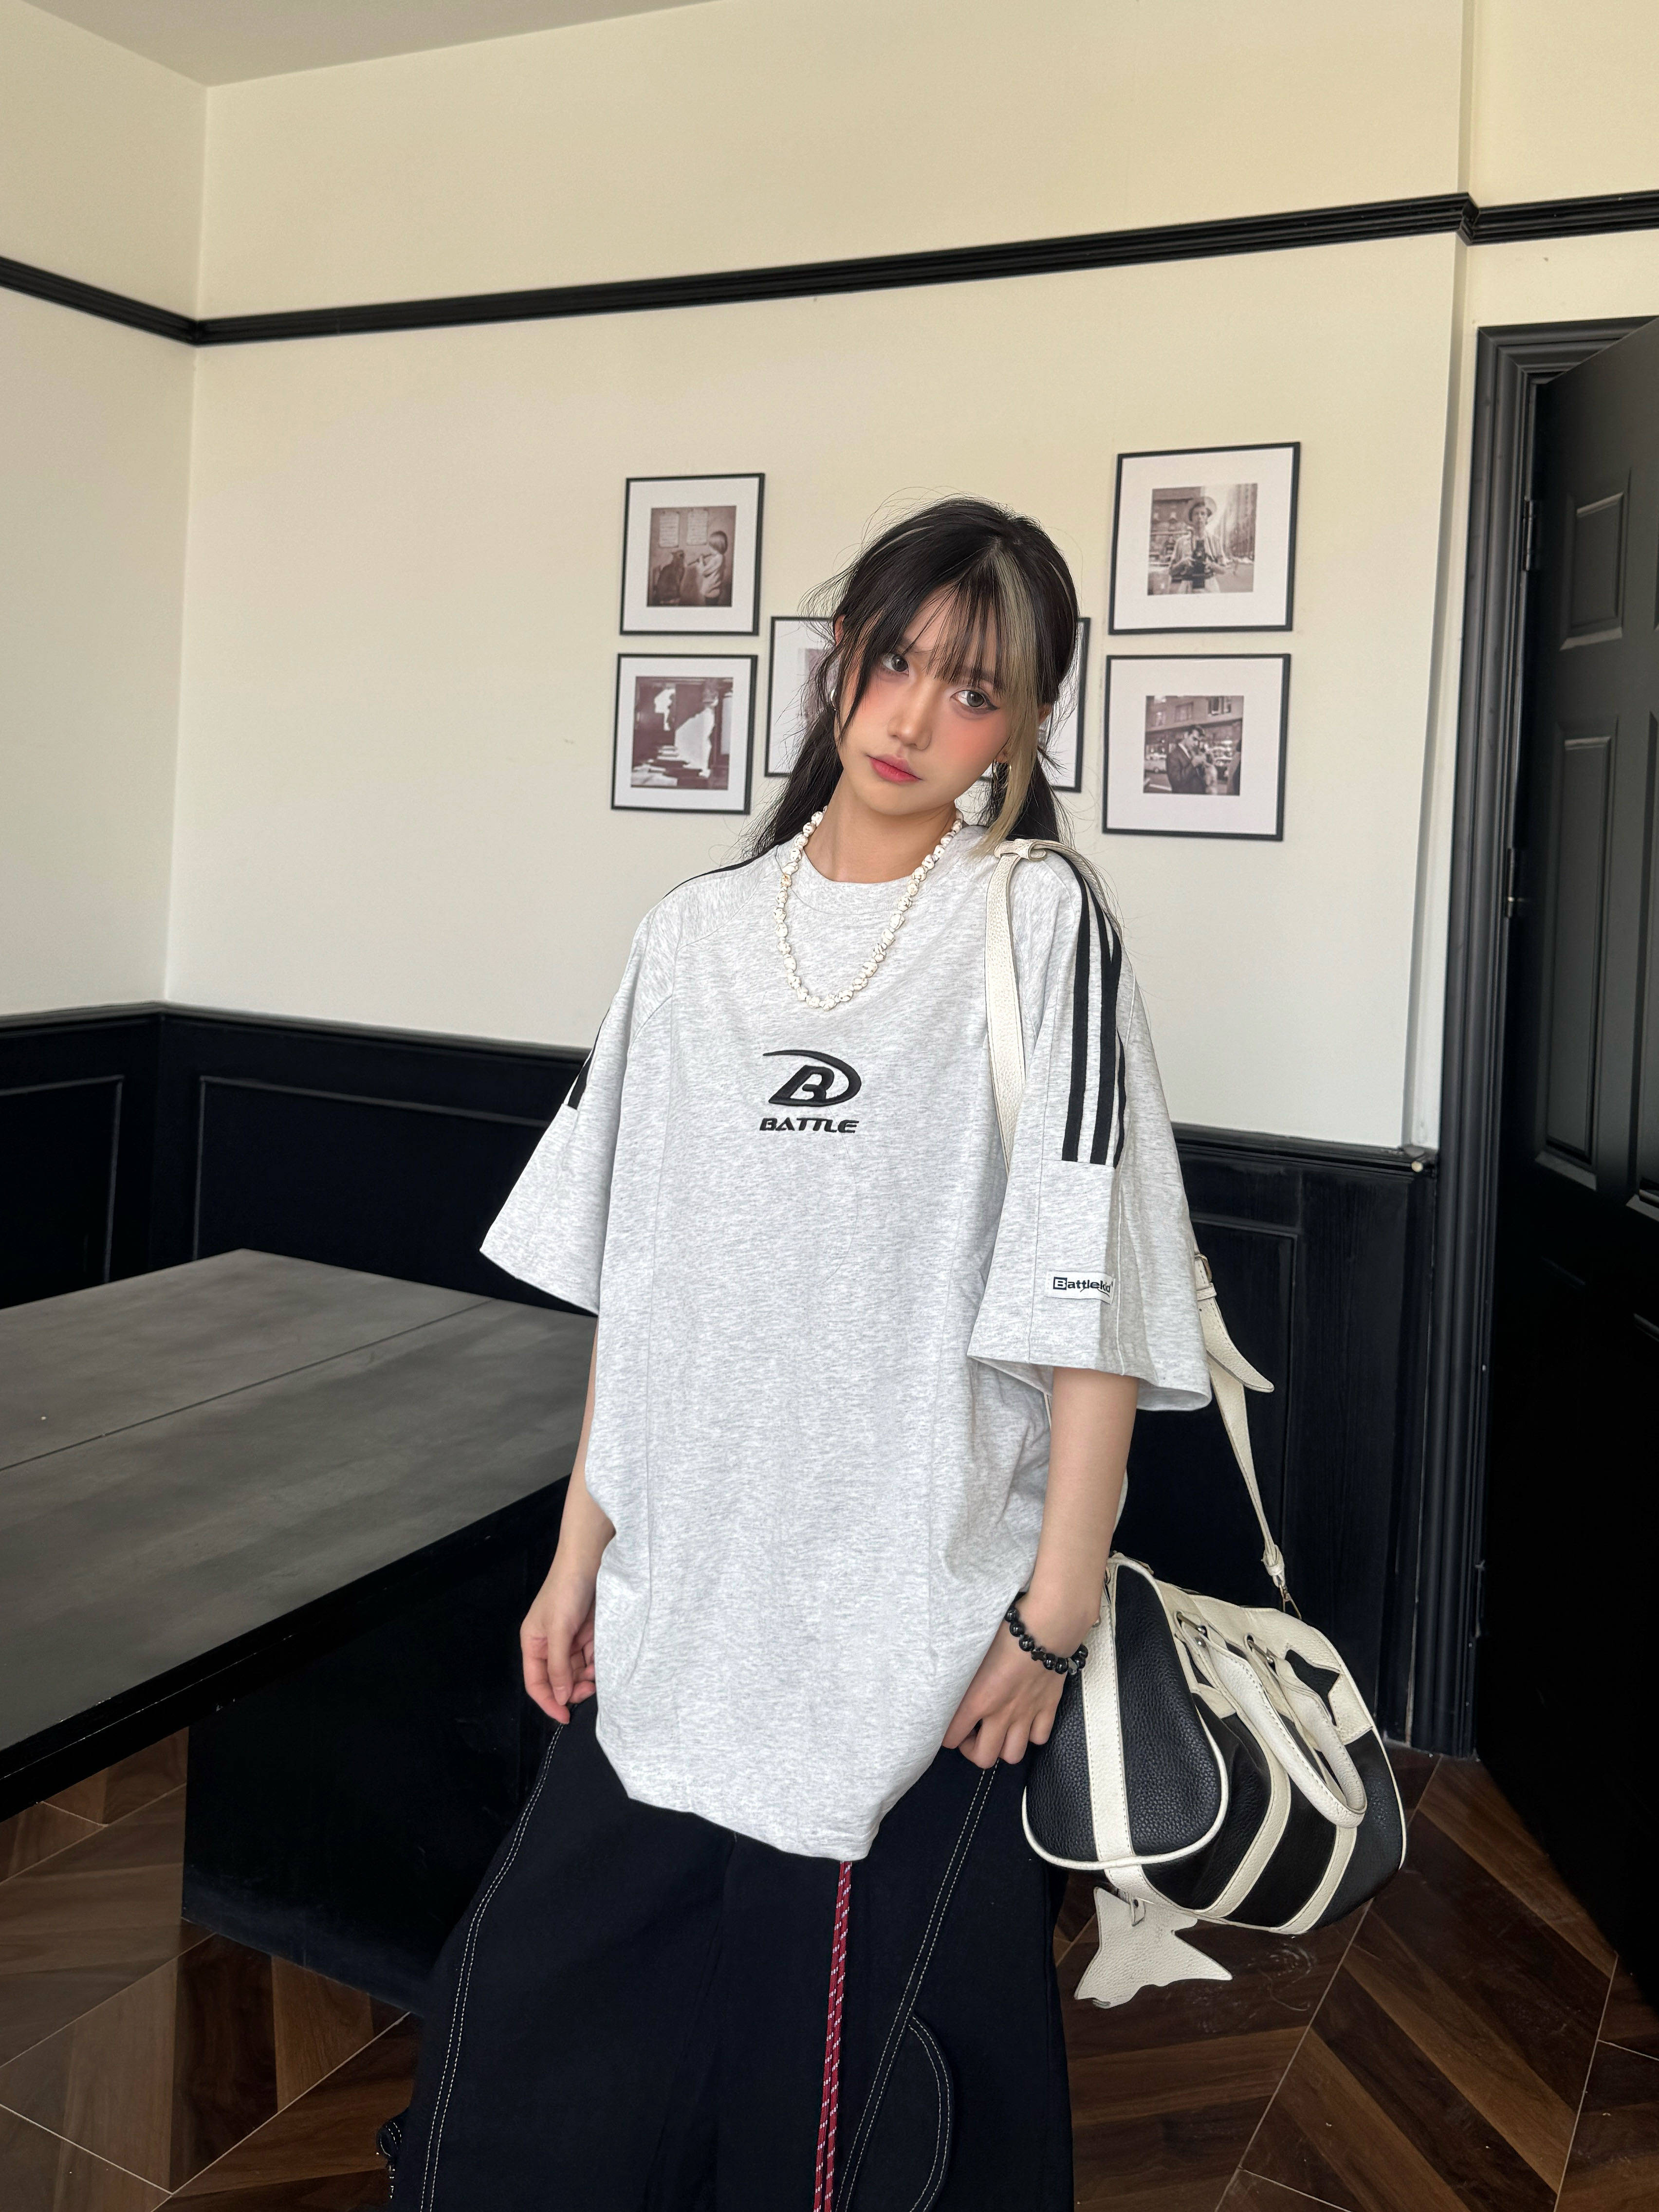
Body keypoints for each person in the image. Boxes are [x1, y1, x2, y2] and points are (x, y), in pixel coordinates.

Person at [387, 496, 1210, 2210]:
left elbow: (1093, 1306)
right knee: (528, 2069)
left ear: (1025, 723)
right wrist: (579, 1550)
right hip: (681, 1601)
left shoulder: (1034, 925)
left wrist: (1050, 1616)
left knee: (835, 2124)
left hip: (902, 1635)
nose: (913, 718)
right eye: (894, 661)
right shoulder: (690, 937)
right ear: (839, 660)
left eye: (971, 690)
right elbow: (645, 1287)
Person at [1165, 494, 1232, 592]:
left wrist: (1211, 565)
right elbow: (1171, 571)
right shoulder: (1181, 542)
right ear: (1191, 518)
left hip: (1209, 588)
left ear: (1207, 518)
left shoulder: (1215, 541)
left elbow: (1224, 570)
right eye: (1196, 514)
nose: (1200, 517)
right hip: (1188, 588)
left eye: (1203, 514)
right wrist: (1182, 563)